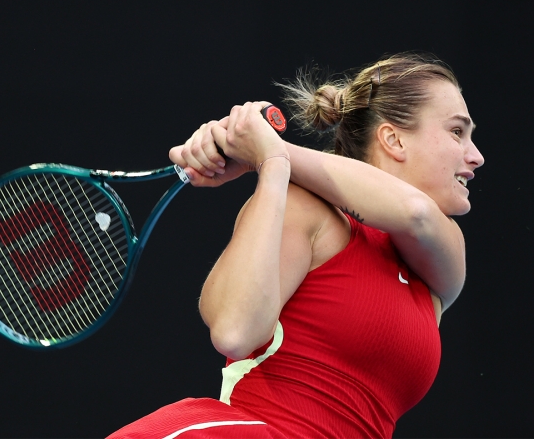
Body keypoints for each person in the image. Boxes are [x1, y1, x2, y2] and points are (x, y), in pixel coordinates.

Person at [107, 52, 484, 438]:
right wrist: (269, 164)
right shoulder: (305, 209)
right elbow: (234, 332)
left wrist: (266, 151)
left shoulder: (437, 257)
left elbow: (415, 212)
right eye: (457, 132)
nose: (477, 157)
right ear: (394, 139)